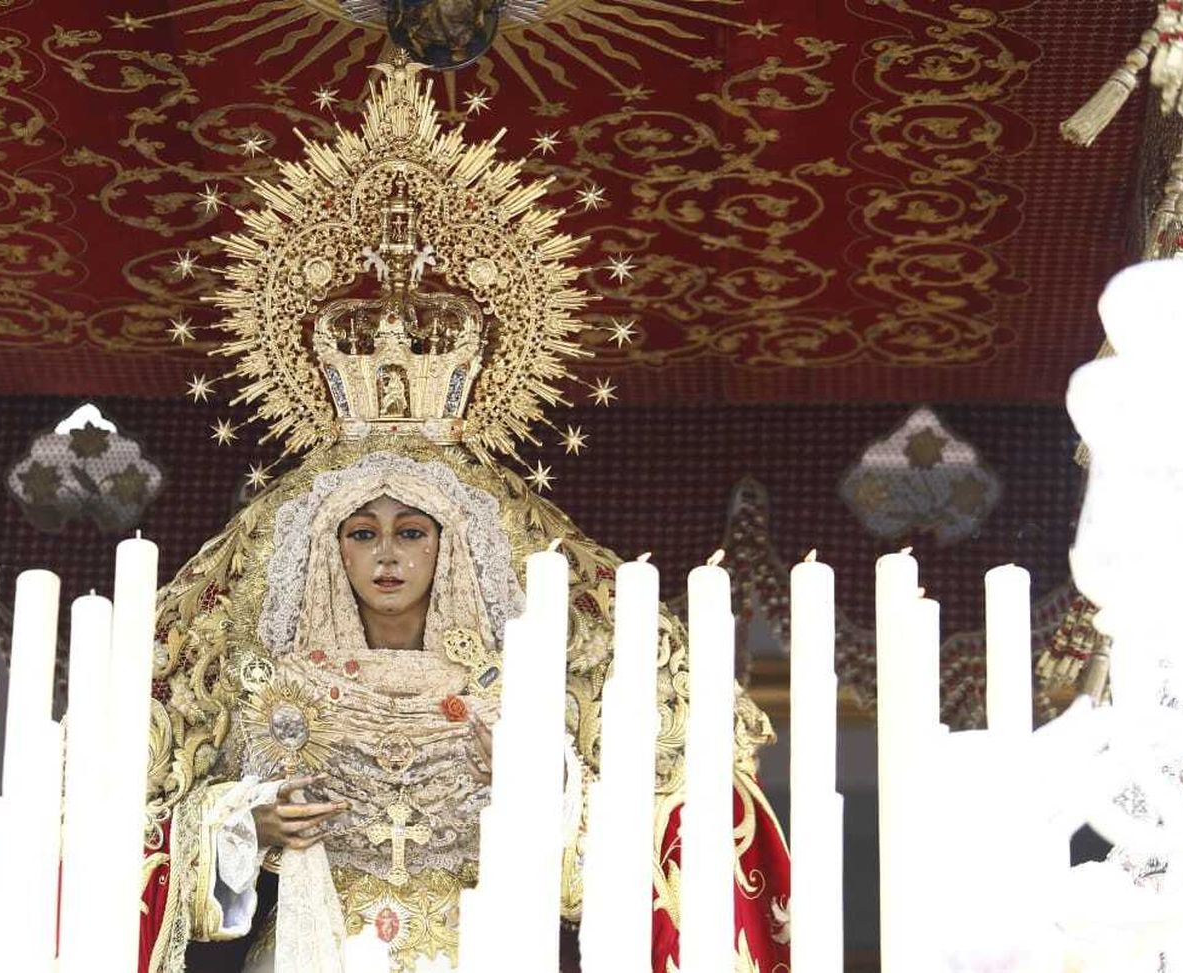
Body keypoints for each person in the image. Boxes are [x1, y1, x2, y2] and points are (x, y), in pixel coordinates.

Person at [132, 62, 791, 973]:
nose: (387, 554)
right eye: (362, 532)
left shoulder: (514, 692)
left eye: (412, 531)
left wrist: (537, 788)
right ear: (329, 551)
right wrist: (244, 822)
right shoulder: (273, 680)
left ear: (453, 545)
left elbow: (630, 835)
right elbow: (137, 816)